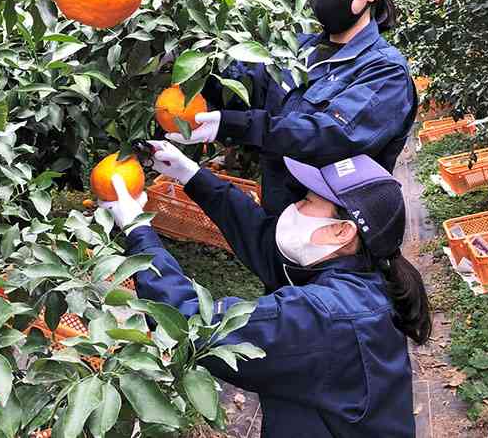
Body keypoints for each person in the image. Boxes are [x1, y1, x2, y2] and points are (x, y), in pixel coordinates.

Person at [100, 141, 432, 438]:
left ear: (341, 232)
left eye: (307, 200)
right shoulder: (364, 274)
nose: (294, 208)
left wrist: (138, 230)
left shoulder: (323, 316)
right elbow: (263, 242)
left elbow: (190, 326)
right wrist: (191, 175)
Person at [165, 0, 418, 216]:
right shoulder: (296, 49)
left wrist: (238, 125)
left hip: (337, 242)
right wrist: (190, 63)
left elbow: (330, 136)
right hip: (281, 224)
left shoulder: (385, 71)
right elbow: (243, 87)